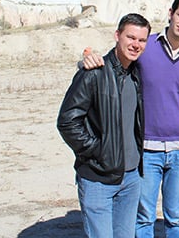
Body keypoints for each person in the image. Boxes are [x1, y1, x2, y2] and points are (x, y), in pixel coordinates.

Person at [82, 0, 179, 238]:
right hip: (146, 148)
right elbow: (110, 63)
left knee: (175, 218)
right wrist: (85, 59)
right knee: (144, 217)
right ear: (170, 14)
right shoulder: (145, 46)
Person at [57, 13, 151, 238]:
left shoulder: (136, 74)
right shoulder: (94, 73)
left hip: (130, 178)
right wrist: (98, 151)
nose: (135, 44)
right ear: (117, 36)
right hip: (98, 179)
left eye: (141, 40)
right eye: (131, 37)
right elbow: (67, 121)